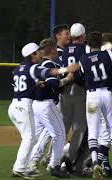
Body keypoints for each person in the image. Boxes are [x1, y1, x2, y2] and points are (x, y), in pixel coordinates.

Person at [8, 42, 78, 179]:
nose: (40, 53)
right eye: (37, 52)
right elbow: (47, 72)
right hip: (24, 106)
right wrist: (65, 71)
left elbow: (20, 85)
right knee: (33, 137)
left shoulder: (17, 69)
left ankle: (24, 165)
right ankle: (23, 167)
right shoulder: (32, 67)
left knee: (30, 138)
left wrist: (36, 84)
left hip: (13, 106)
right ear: (32, 55)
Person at [28, 38, 74, 177]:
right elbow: (54, 84)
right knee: (59, 134)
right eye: (55, 49)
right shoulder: (49, 64)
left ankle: (31, 161)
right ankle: (54, 165)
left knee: (43, 134)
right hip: (46, 103)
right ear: (53, 50)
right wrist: (68, 79)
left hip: (37, 104)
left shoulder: (39, 64)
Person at [79, 31, 112, 179]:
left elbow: (83, 75)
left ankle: (96, 161)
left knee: (93, 130)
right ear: (101, 43)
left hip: (92, 97)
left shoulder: (83, 59)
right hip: (107, 94)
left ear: (89, 44)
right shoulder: (108, 55)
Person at [60, 23, 89, 171]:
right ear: (83, 36)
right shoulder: (85, 50)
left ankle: (55, 159)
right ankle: (69, 160)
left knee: (62, 127)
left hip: (65, 91)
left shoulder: (65, 51)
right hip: (79, 90)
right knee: (79, 127)